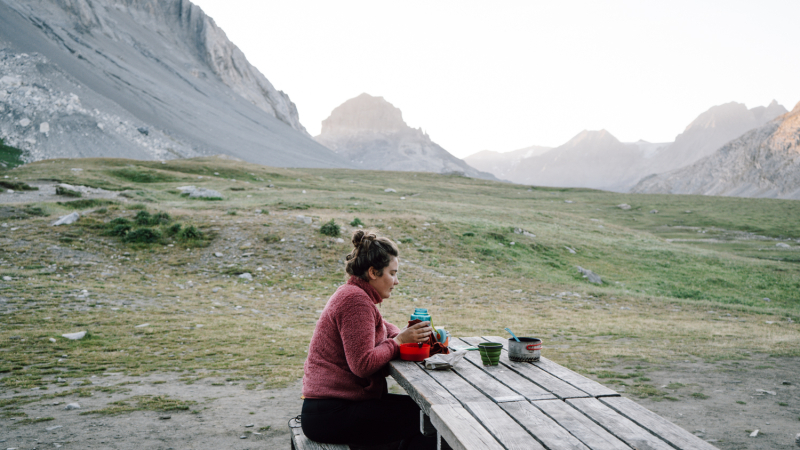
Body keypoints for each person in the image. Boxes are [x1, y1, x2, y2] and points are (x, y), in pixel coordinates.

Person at [301, 230, 436, 449]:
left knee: (424, 412)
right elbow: (362, 365)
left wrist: (402, 334)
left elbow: (381, 327)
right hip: (332, 413)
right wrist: (399, 341)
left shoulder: (355, 294)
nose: (397, 281)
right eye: (392, 273)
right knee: (430, 418)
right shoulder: (355, 301)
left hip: (335, 408)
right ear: (373, 272)